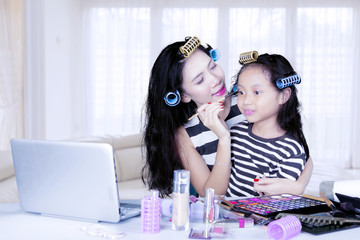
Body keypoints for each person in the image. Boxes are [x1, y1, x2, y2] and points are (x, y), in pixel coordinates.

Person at [142, 36, 313, 197]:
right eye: (200, 80)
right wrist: (224, 139)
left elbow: (298, 149)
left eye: (213, 66)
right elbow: (212, 194)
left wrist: (298, 186)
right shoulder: (185, 135)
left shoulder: (250, 104)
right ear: (184, 95)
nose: (215, 79)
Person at [226, 53, 309, 197]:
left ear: (283, 96)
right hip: (227, 216)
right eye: (241, 92)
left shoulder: (290, 150)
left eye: (257, 92)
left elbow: (276, 206)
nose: (246, 101)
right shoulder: (235, 133)